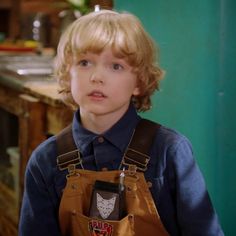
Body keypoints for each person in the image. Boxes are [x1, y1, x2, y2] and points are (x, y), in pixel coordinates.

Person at [19, 9, 224, 236]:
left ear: (139, 81)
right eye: (85, 62)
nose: (97, 77)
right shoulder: (45, 161)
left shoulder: (170, 151)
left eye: (116, 66)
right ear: (68, 74)